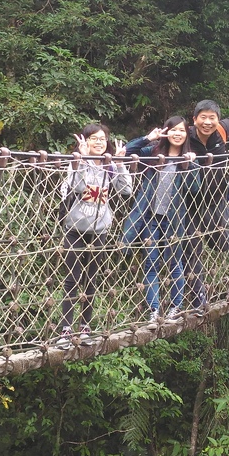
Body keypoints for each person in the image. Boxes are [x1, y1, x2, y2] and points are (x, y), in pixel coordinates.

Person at [57, 123, 132, 347]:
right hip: (75, 228)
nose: (98, 142)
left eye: (102, 139)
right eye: (93, 139)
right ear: (85, 141)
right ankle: (65, 330)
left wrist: (119, 163)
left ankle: (85, 328)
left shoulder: (110, 166)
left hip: (99, 230)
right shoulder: (77, 163)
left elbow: (126, 190)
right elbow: (77, 187)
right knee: (71, 279)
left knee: (91, 280)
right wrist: (79, 160)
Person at [122, 117, 201, 326]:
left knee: (175, 263)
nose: (177, 134)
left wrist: (192, 164)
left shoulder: (188, 158)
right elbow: (126, 153)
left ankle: (175, 307)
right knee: (151, 263)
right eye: (173, 130)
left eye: (181, 131)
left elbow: (195, 189)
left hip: (174, 219)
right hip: (151, 218)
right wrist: (148, 138)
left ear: (186, 135)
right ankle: (154, 310)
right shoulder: (153, 153)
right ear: (166, 132)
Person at [183, 100, 229, 313]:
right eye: (203, 117)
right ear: (195, 119)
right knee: (192, 251)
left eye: (212, 118)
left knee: (223, 244)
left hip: (216, 201)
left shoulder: (221, 129)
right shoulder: (184, 136)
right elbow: (160, 146)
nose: (208, 122)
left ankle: (213, 238)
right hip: (189, 204)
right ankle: (198, 302)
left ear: (217, 120)